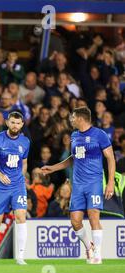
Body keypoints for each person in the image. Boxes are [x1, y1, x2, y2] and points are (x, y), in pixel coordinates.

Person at [41, 107, 116, 264]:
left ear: (81, 118)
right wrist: (53, 168)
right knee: (75, 221)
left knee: (94, 216)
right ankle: (89, 246)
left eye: (73, 117)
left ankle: (98, 255)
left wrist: (110, 182)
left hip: (94, 183)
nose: (71, 120)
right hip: (78, 184)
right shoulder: (74, 136)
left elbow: (110, 158)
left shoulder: (99, 135)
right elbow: (73, 158)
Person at [0, 111, 30, 265]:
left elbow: (24, 163)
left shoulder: (25, 142)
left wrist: (21, 177)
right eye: (12, 122)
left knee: (21, 217)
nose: (15, 126)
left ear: (22, 125)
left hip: (17, 186)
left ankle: (20, 257)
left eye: (18, 123)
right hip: (0, 187)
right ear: (7, 123)